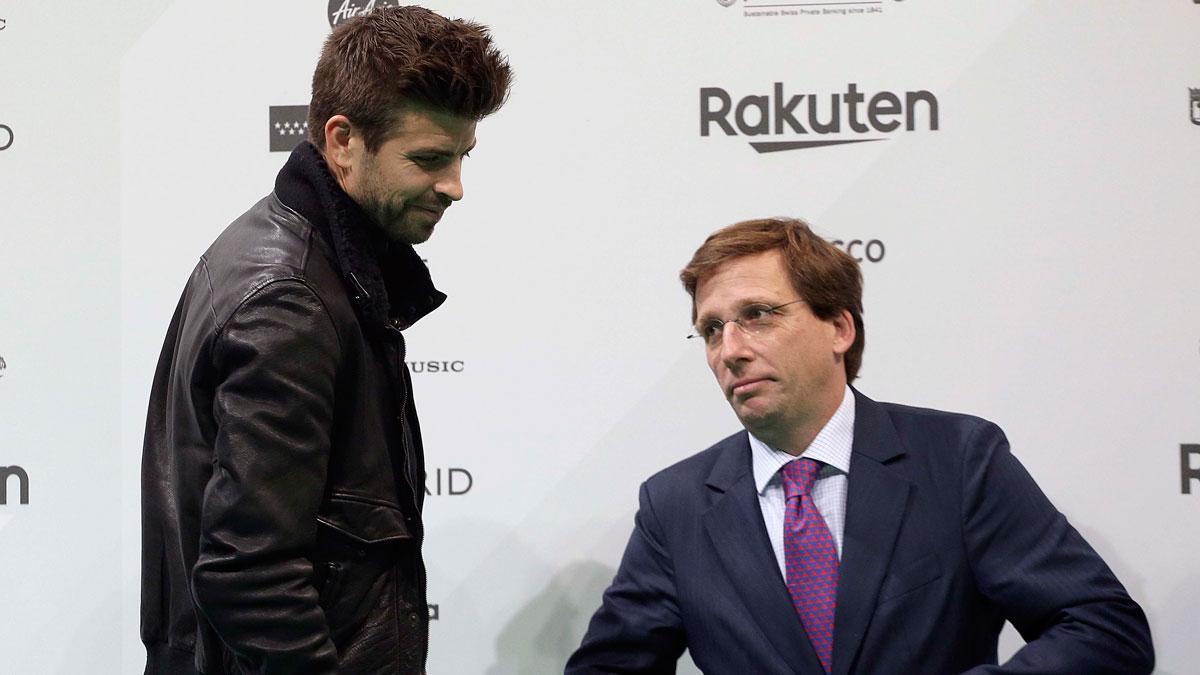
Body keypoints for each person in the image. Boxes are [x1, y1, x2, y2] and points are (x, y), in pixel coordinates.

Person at [567, 218, 1154, 674]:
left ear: (839, 329)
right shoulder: (676, 505)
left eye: (758, 315)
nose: (731, 349)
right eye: (712, 328)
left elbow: (1102, 628)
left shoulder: (957, 458)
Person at [139, 7, 511, 673]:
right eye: (428, 159)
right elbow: (251, 574)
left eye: (462, 157)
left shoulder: (307, 267)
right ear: (343, 140)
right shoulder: (293, 299)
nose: (454, 186)